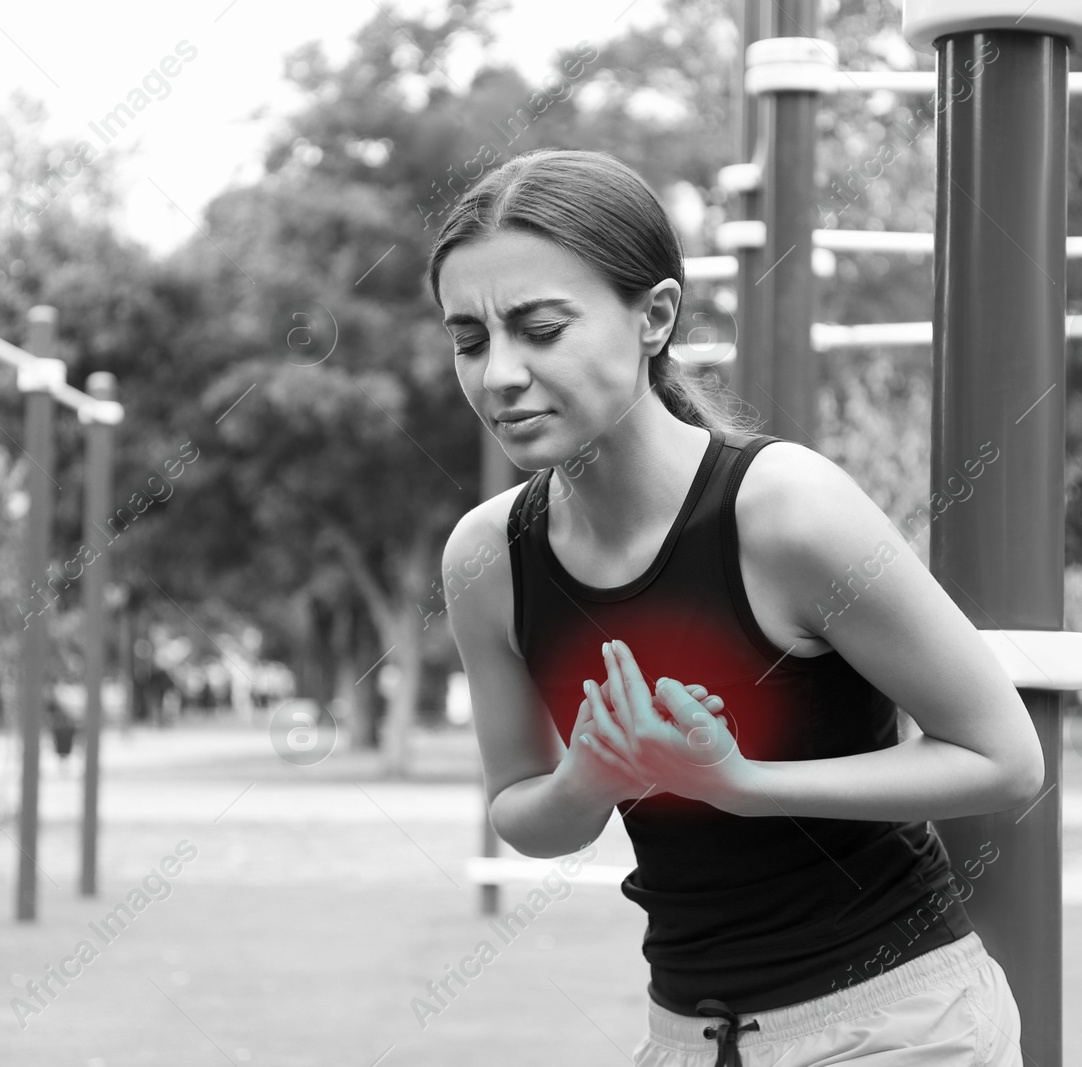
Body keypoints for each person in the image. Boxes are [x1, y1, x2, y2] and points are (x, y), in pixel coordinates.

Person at [429, 148, 1043, 1067]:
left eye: (541, 328)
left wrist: (739, 782)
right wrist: (590, 776)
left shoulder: (786, 510)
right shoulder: (488, 558)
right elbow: (523, 809)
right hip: (691, 1037)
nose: (500, 374)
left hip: (897, 1024)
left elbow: (1004, 759)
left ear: (656, 316)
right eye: (470, 340)